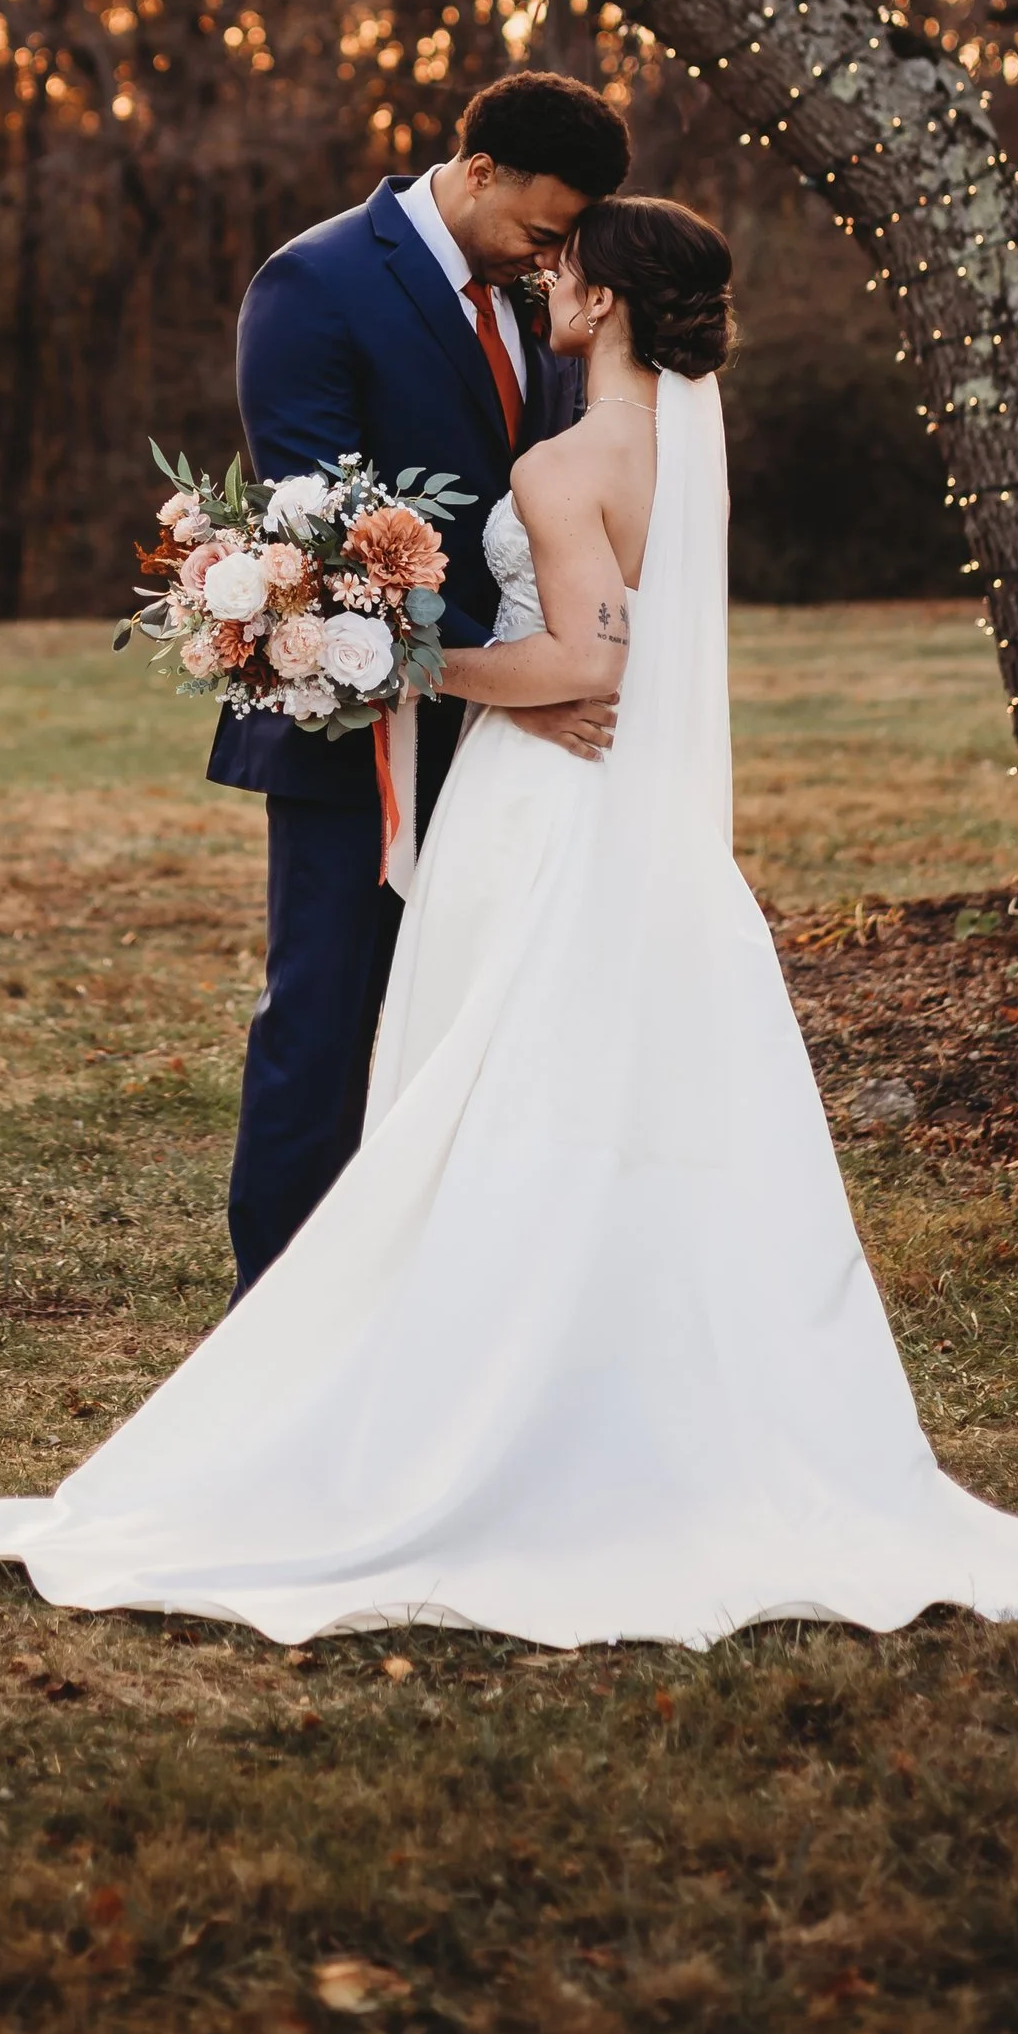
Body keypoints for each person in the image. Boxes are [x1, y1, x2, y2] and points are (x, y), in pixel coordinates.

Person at [0, 194, 1018, 1649]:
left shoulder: (567, 462)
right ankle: (611, 1400)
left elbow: (576, 670)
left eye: (567, 266)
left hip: (543, 816)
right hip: (633, 826)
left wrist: (393, 652)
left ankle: (466, 1412)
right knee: (595, 1114)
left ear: (608, 300)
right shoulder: (680, 449)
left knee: (486, 1103)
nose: (547, 279)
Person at [205, 69, 631, 1297]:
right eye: (542, 231)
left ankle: (432, 1309)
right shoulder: (316, 283)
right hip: (358, 734)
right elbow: (320, 544)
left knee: (476, 1031)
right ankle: (277, 1320)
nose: (554, 260)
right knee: (325, 1025)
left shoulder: (537, 300)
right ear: (479, 168)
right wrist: (507, 684)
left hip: (518, 751)